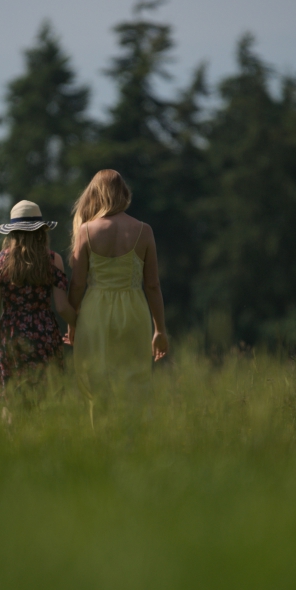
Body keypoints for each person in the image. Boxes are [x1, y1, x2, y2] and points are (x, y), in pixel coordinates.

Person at [66, 170, 168, 419]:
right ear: (124, 193)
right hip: (133, 312)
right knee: (135, 382)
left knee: (96, 382)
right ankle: (132, 436)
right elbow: (152, 285)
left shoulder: (86, 231)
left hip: (95, 313)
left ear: (96, 195)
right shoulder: (144, 231)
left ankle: (100, 438)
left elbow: (77, 284)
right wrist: (159, 330)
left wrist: (72, 322)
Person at [0, 201, 76, 401]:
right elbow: (62, 307)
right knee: (47, 399)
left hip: (11, 335)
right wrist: (79, 325)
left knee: (11, 400)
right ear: (41, 231)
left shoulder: (0, 260)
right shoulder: (53, 260)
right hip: (45, 334)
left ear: (12, 233)